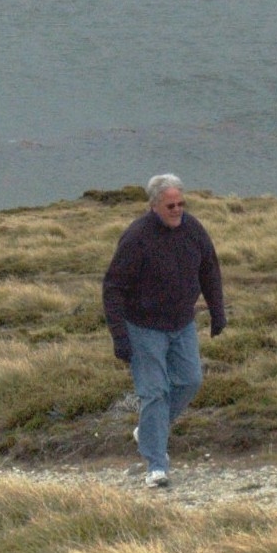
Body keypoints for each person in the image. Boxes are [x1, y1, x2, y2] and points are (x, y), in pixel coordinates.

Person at [104, 173, 226, 489]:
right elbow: (113, 288)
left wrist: (217, 313)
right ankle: (156, 466)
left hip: (182, 323)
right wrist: (120, 336)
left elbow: (209, 270)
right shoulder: (136, 238)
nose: (177, 210)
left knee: (190, 380)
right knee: (154, 392)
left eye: (181, 204)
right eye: (171, 205)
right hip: (143, 329)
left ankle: (149, 430)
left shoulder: (193, 230)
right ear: (155, 205)